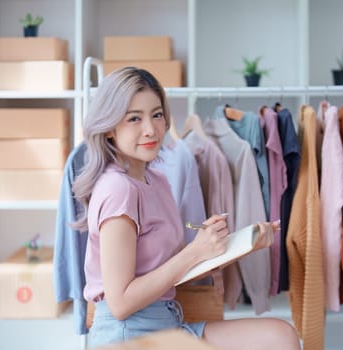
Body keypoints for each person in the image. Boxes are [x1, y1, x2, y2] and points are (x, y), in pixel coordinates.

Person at [72, 67, 301, 350]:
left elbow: (172, 269)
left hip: (168, 323)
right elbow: (120, 304)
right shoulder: (118, 189)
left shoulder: (155, 179)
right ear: (109, 129)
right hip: (129, 335)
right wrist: (195, 251)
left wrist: (238, 245)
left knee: (281, 337)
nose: (151, 129)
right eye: (134, 118)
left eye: (157, 115)